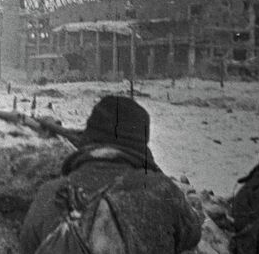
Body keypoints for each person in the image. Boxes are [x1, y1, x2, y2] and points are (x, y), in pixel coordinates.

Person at [20, 95, 202, 253]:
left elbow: (28, 247)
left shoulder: (50, 194)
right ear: (140, 143)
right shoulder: (162, 190)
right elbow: (192, 236)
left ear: (89, 137)